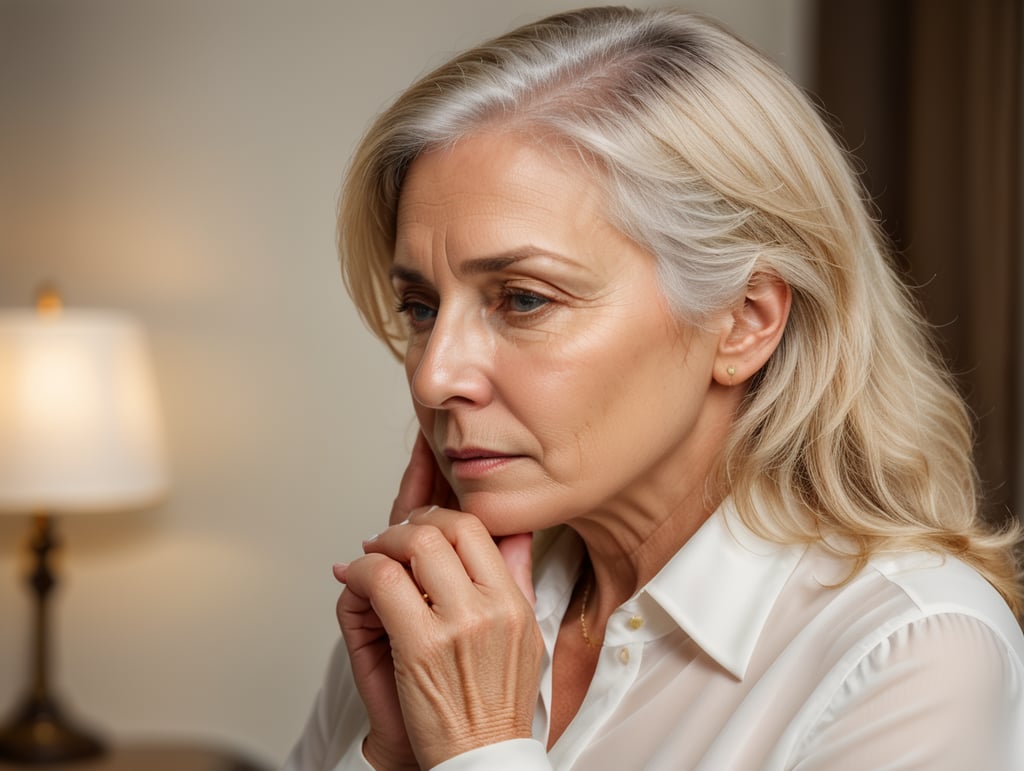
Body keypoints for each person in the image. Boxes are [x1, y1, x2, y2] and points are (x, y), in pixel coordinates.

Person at [284, 7, 1024, 770]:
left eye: (524, 298)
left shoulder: (914, 651)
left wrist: (475, 747)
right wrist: (392, 753)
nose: (435, 374)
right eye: (420, 307)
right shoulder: (433, 617)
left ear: (743, 320)